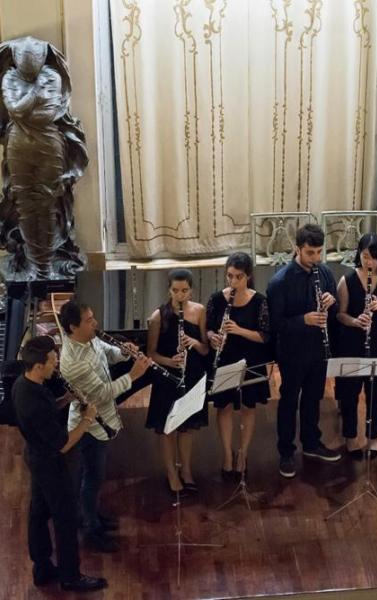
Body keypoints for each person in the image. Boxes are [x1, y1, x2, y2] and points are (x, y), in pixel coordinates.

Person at [12, 336, 107, 592]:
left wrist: (65, 399)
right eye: (53, 361)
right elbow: (63, 444)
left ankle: (42, 567)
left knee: (39, 513)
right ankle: (70, 576)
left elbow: (47, 411)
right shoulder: (34, 401)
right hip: (50, 463)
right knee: (66, 518)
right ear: (39, 365)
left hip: (36, 456)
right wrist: (87, 419)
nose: (56, 365)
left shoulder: (24, 384)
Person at [59, 300, 151, 553]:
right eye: (89, 320)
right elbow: (102, 394)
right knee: (92, 478)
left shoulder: (87, 339)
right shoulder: (73, 361)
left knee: (94, 477)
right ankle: (90, 529)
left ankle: (93, 517)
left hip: (101, 418)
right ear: (72, 327)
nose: (95, 323)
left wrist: (123, 352)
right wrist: (133, 375)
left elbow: (106, 352)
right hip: (90, 427)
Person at [0, 36, 88, 278]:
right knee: (25, 206)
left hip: (49, 144)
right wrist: (35, 96)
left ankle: (45, 264)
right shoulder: (9, 76)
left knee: (47, 204)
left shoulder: (52, 75)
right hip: (18, 146)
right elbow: (13, 109)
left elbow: (46, 115)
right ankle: (35, 263)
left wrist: (23, 107)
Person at [267, 223, 342, 478]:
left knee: (313, 398)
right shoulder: (280, 282)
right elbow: (275, 324)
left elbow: (334, 306)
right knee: (289, 401)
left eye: (320, 252)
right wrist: (304, 320)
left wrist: (332, 301)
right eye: (310, 253)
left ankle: (311, 443)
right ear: (297, 249)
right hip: (291, 351)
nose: (316, 258)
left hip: (318, 349)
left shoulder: (324, 272)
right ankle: (285, 452)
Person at [335, 234, 377, 459]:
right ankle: (351, 437)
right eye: (364, 256)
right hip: (352, 343)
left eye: (373, 258)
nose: (368, 262)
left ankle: (373, 438)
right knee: (349, 392)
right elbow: (340, 314)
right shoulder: (347, 280)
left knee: (376, 392)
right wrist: (355, 321)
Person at [206, 252, 271, 480]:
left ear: (248, 276)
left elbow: (265, 336)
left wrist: (238, 330)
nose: (233, 282)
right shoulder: (216, 300)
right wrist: (213, 336)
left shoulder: (260, 301)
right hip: (225, 358)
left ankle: (243, 453)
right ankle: (226, 454)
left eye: (238, 277)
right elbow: (207, 329)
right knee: (223, 407)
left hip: (250, 359)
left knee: (247, 406)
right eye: (230, 276)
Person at [146, 269, 209, 497]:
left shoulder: (200, 311)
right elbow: (151, 354)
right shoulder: (158, 317)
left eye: (184, 290)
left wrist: (193, 342)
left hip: (191, 374)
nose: (180, 295)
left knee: (187, 427)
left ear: (191, 290)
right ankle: (172, 473)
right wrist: (170, 362)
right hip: (167, 377)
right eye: (175, 290)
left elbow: (205, 348)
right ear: (169, 290)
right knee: (168, 428)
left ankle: (187, 471)